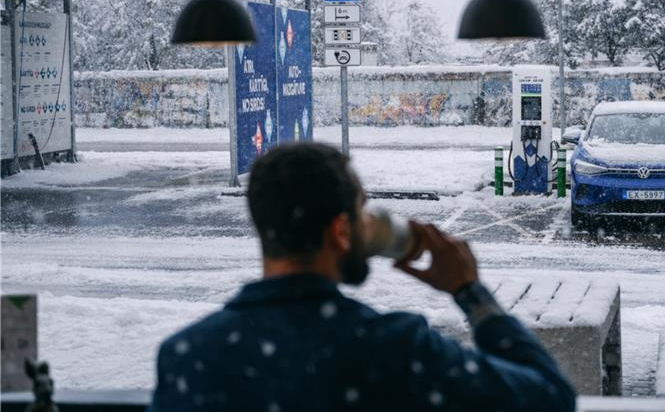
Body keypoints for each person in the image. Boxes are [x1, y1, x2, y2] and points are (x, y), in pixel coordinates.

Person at [150, 143, 575, 412]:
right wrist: (469, 291)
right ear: (340, 231)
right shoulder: (394, 347)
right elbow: (550, 398)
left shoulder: (188, 356)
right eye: (362, 209)